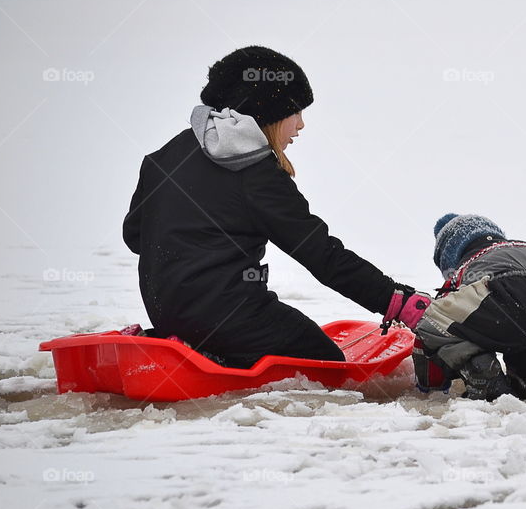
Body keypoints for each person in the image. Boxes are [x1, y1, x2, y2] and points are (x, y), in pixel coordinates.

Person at [123, 46, 428, 368]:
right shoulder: (255, 172)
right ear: (265, 112)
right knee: (323, 361)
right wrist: (397, 302)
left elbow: (135, 236)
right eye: (295, 111)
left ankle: (185, 344)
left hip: (166, 311)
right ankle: (214, 357)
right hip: (230, 318)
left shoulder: (164, 156)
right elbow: (321, 255)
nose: (301, 124)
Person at [413, 214, 526, 402]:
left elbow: (439, 317)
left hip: (509, 291)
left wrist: (430, 388)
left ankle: (485, 380)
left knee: (432, 319)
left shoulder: (469, 263)